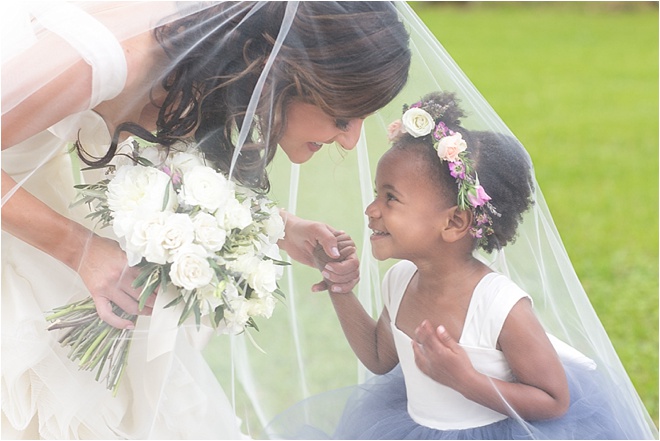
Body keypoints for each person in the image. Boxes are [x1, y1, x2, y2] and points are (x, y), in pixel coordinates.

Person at [1, 2, 410, 438]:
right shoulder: (108, 57)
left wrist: (276, 227)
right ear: (290, 75)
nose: (350, 140)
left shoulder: (202, 65)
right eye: (344, 117)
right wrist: (80, 249)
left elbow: (167, 167)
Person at [264, 91, 656, 439]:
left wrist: (466, 380)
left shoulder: (499, 305)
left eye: (390, 199)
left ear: (453, 222)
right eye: (375, 194)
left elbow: (554, 399)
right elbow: (380, 357)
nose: (371, 210)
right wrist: (339, 286)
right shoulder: (401, 280)